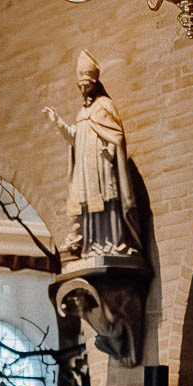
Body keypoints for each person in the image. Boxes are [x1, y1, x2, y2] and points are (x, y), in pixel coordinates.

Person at [43, 50, 143, 262]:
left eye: (86, 85)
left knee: (108, 202)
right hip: (87, 173)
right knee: (89, 207)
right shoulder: (81, 113)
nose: (83, 90)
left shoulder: (105, 106)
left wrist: (111, 152)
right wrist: (57, 122)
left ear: (95, 84)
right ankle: (93, 245)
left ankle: (114, 243)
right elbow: (74, 139)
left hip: (103, 168)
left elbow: (116, 136)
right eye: (80, 86)